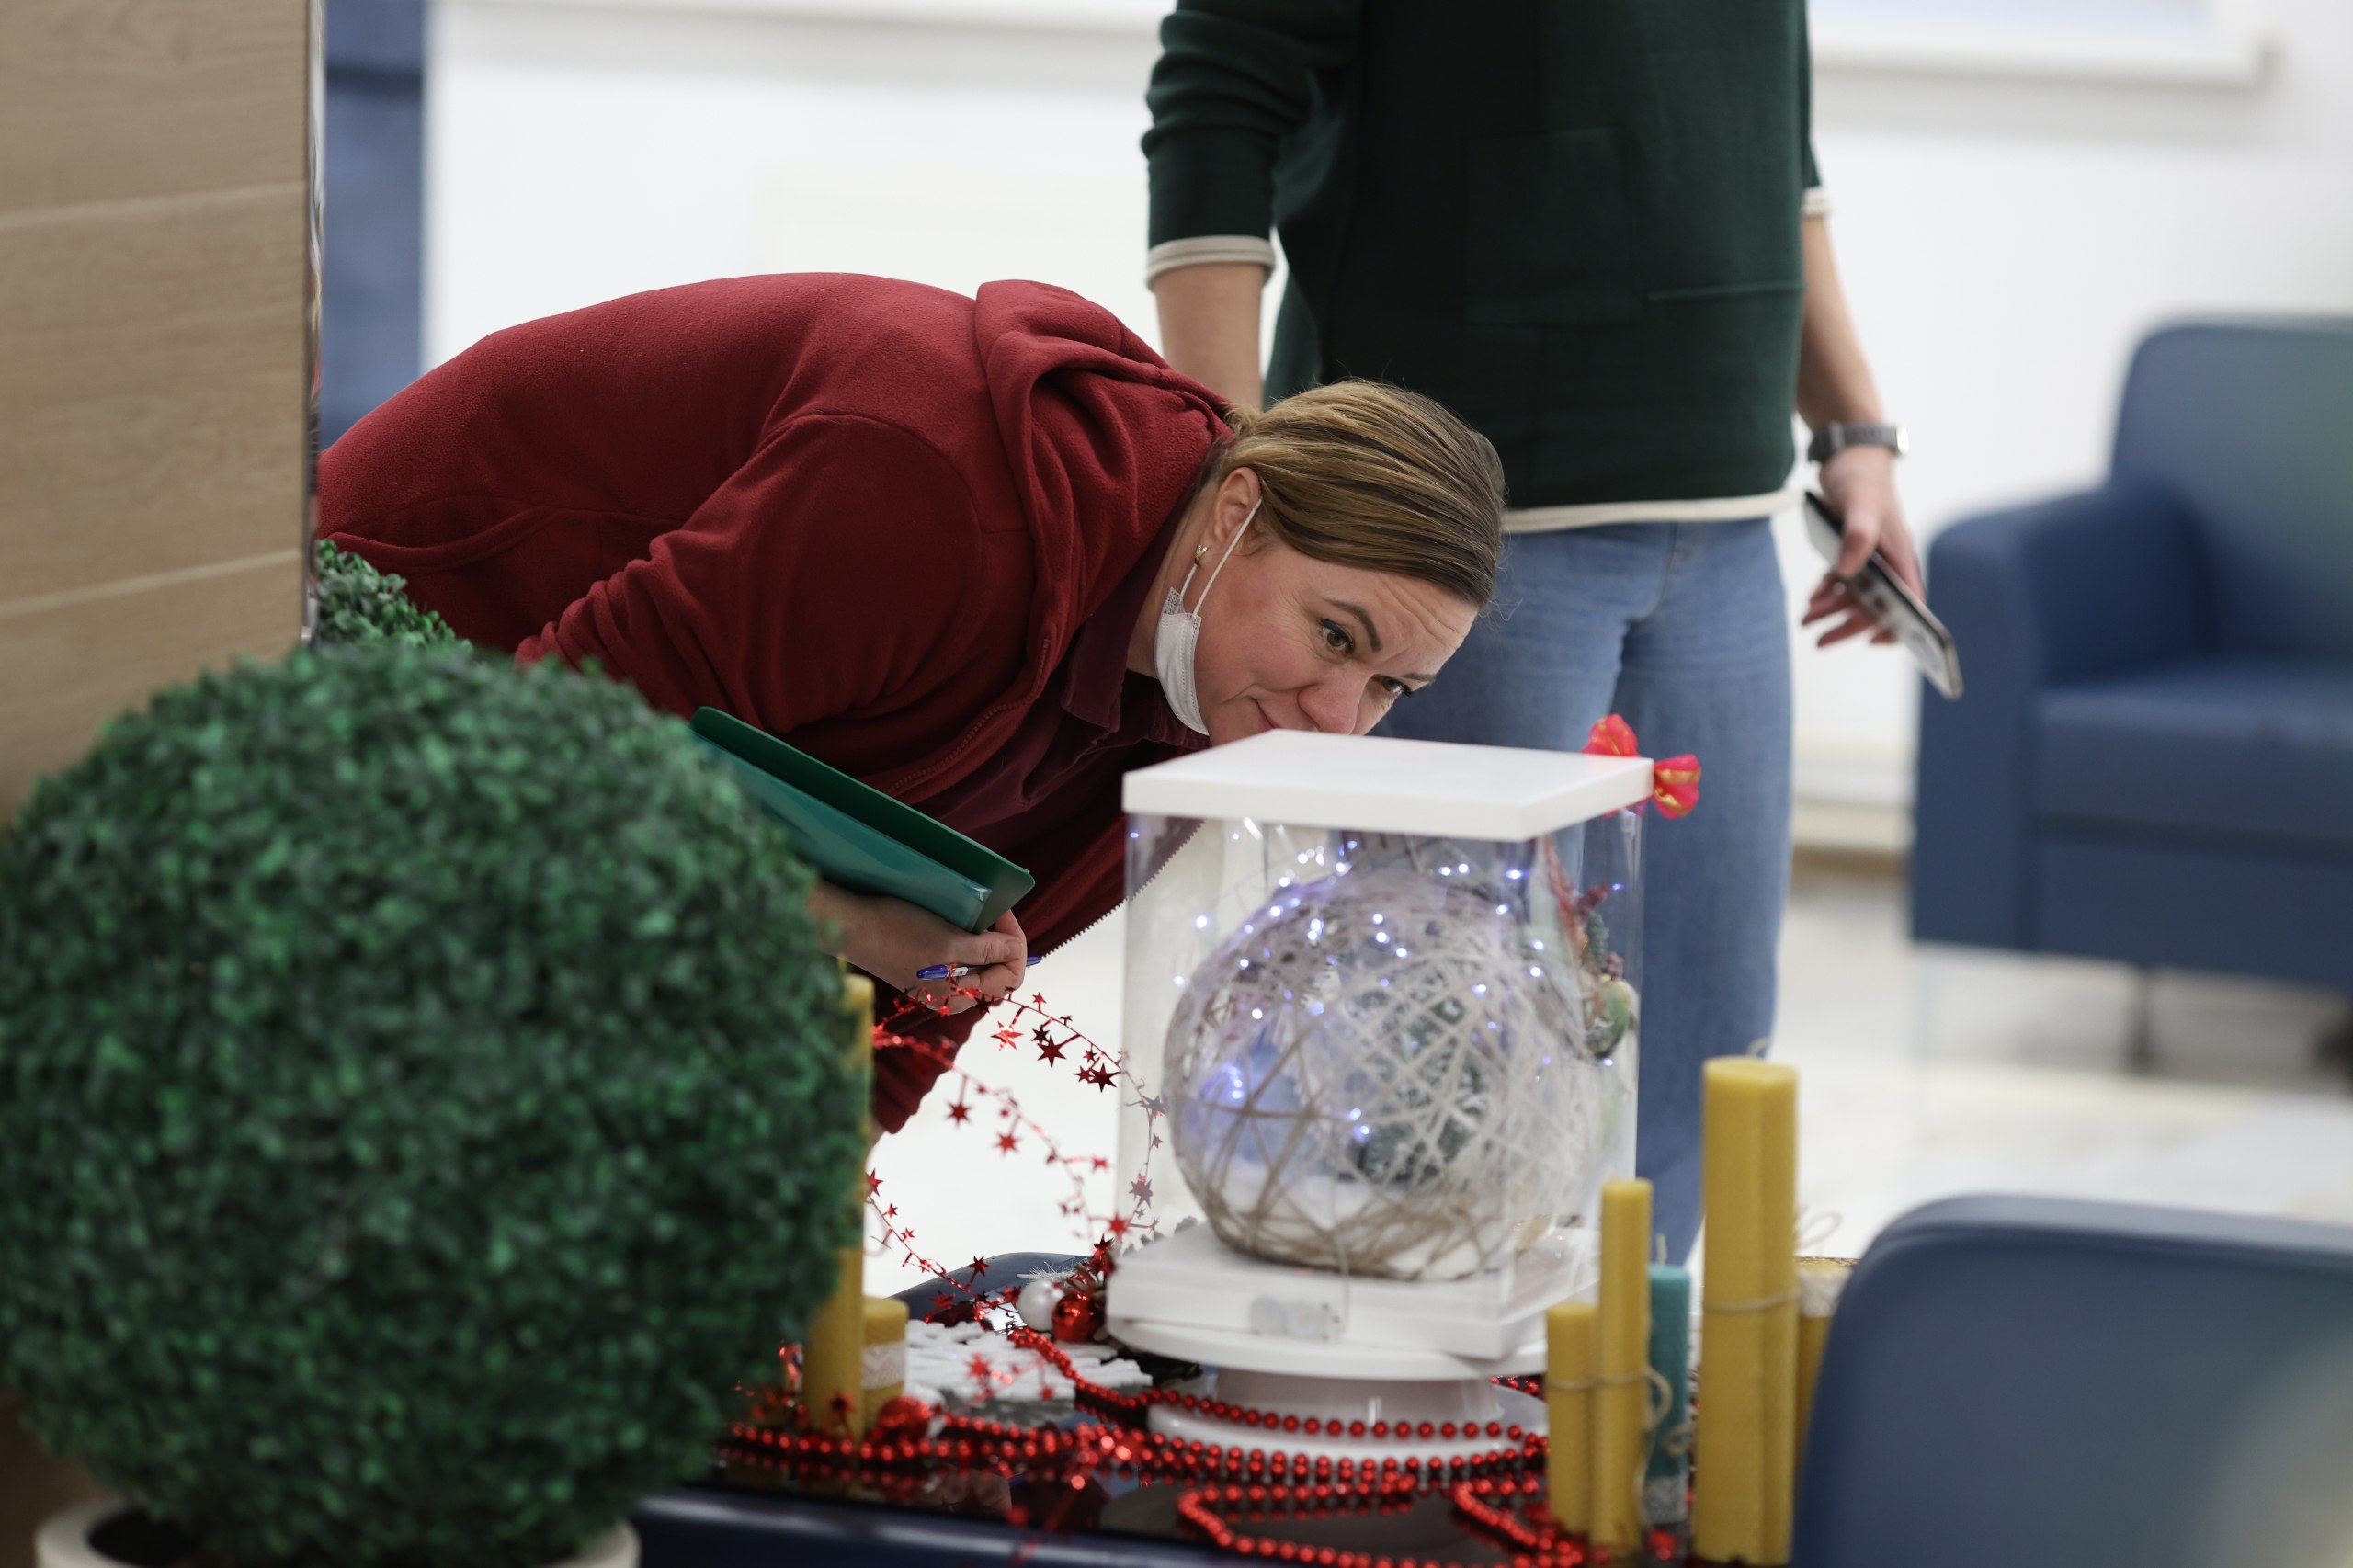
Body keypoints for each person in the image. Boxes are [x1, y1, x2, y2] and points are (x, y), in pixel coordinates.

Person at [319, 271, 1506, 1132]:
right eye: (1334, 635)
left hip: (629, 796)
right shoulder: (935, 501)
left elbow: (936, 976)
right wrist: (829, 923)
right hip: (397, 644)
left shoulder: (1187, 711)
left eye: (1391, 684)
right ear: (1239, 509)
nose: (1334, 714)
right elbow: (535, 760)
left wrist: (810, 1247)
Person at [1142, 1, 1921, 1257]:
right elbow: (1218, 96)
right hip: (1463, 534)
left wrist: (1853, 430)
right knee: (1439, 1035)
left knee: (1705, 1030)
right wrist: (1223, 449)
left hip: (1724, 511)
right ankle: (1413, 1414)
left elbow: (1772, 144)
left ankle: (1617, 1372)